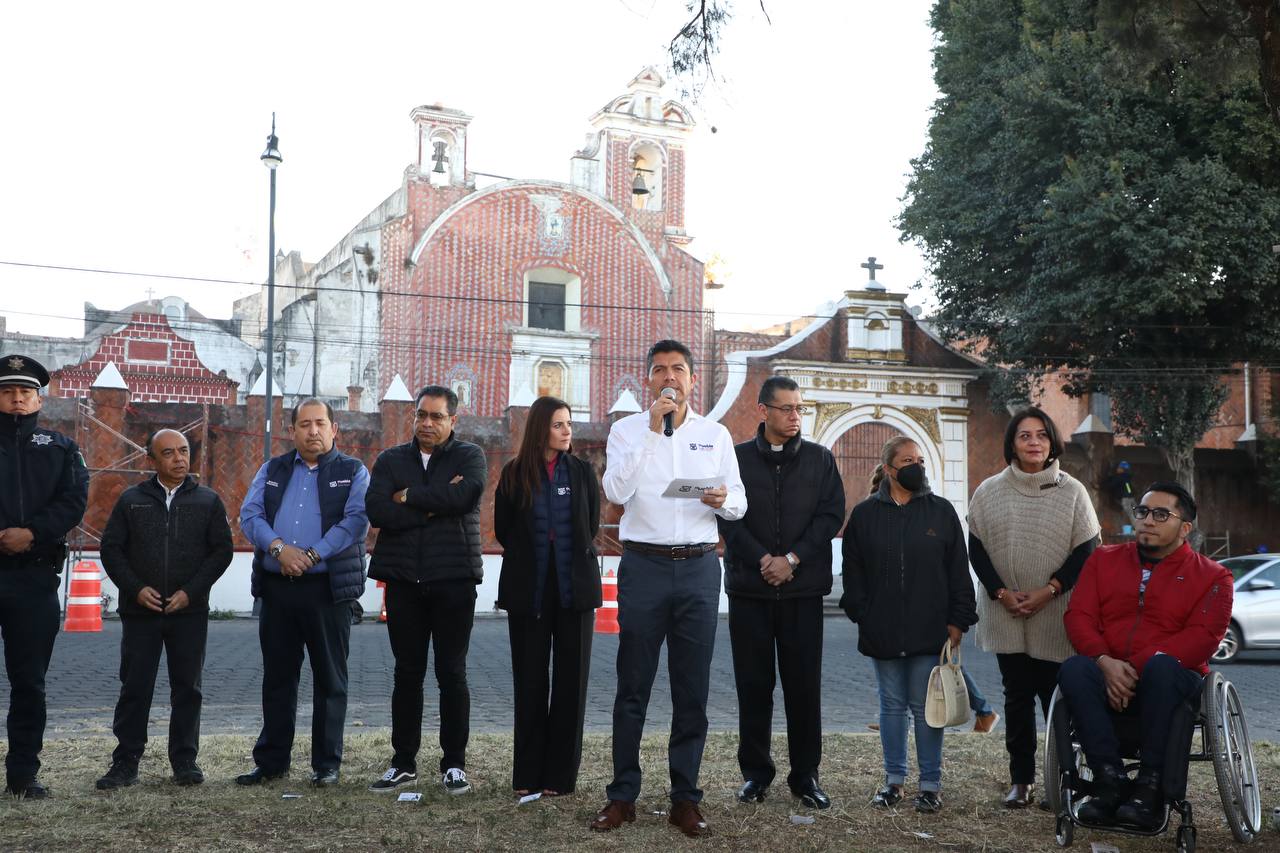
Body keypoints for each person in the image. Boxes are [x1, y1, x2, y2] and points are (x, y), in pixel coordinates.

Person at [591, 340, 746, 838]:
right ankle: (622, 797)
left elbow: (739, 503)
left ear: (692, 380)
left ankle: (686, 798)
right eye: (659, 370)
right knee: (632, 685)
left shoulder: (715, 434)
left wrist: (724, 500)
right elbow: (616, 493)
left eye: (678, 369)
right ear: (648, 380)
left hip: (700, 569)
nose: (669, 377)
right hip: (645, 567)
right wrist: (655, 434)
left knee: (691, 689)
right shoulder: (626, 430)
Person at [1060, 483, 1232, 829]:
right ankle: (1110, 782)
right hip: (1108, 667)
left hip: (1172, 679)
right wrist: (1105, 664)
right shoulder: (1103, 559)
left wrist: (1133, 668)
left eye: (1160, 514)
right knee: (1074, 670)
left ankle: (1150, 788)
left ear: (1185, 528)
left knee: (1162, 666)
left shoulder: (1214, 576)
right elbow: (1078, 617)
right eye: (1142, 512)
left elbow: (1202, 639)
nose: (1147, 521)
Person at [718, 376, 844, 809]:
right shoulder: (734, 461)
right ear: (763, 411)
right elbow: (728, 519)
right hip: (749, 592)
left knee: (803, 688)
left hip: (802, 593)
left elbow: (830, 517)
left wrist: (790, 559)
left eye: (799, 409)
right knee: (753, 687)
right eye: (786, 408)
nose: (795, 417)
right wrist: (762, 561)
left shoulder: (820, 460)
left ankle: (805, 775)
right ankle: (756, 774)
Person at [967, 407, 1099, 808]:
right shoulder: (989, 490)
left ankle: (1065, 781)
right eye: (1025, 435)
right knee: (1017, 697)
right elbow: (977, 549)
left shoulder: (1072, 491)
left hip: (1056, 612)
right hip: (1005, 610)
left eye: (1041, 435)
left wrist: (1050, 590)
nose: (1034, 442)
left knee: (1058, 700)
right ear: (1012, 442)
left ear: (1052, 441)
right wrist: (1002, 593)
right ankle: (1021, 781)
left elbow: (1087, 549)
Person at [236, 399, 369, 788]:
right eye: (305, 424)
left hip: (327, 590)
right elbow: (250, 515)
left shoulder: (352, 471)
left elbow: (355, 521)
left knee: (330, 679)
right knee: (278, 678)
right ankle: (272, 761)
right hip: (278, 588)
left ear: (334, 430)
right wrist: (280, 549)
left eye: (320, 424)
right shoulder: (272, 469)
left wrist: (311, 555)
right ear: (291, 430)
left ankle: (326, 764)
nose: (313, 431)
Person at [840, 435, 976, 814]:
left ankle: (930, 784)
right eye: (907, 460)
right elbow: (852, 571)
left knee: (925, 706)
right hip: (881, 628)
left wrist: (958, 621)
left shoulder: (941, 512)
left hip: (929, 628)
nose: (916, 465)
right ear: (888, 469)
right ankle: (893, 781)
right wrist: (861, 612)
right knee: (891, 704)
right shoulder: (865, 515)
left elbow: (957, 572)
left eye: (919, 459)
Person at [96, 429, 233, 789]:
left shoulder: (207, 501)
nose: (179, 459)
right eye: (168, 453)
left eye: (184, 451)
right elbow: (111, 549)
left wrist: (191, 592)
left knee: (188, 687)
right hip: (141, 612)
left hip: (189, 612)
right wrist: (135, 589)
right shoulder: (131, 500)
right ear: (151, 460)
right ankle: (125, 762)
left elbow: (221, 552)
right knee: (135, 686)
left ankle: (185, 761)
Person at [365, 385, 486, 795]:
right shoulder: (391, 459)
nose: (427, 424)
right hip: (403, 582)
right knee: (406, 673)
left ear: (454, 420)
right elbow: (377, 509)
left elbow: (466, 496)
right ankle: (403, 762)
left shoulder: (469, 456)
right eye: (421, 416)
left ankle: (453, 764)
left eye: (436, 417)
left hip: (454, 580)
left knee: (452, 673)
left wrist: (410, 497)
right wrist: (434, 507)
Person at [493, 395, 600, 798]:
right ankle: (527, 774)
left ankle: (560, 777)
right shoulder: (515, 473)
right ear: (541, 428)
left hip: (575, 589)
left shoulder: (582, 472)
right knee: (531, 681)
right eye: (559, 424)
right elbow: (505, 529)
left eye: (569, 423)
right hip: (528, 590)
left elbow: (589, 525)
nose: (567, 430)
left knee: (572, 683)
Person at [0, 354, 89, 799]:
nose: (17, 400)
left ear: (39, 399)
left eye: (25, 393)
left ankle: (22, 775)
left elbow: (74, 502)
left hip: (34, 578)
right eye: (8, 392)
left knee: (29, 682)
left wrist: (31, 533)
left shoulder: (61, 449)